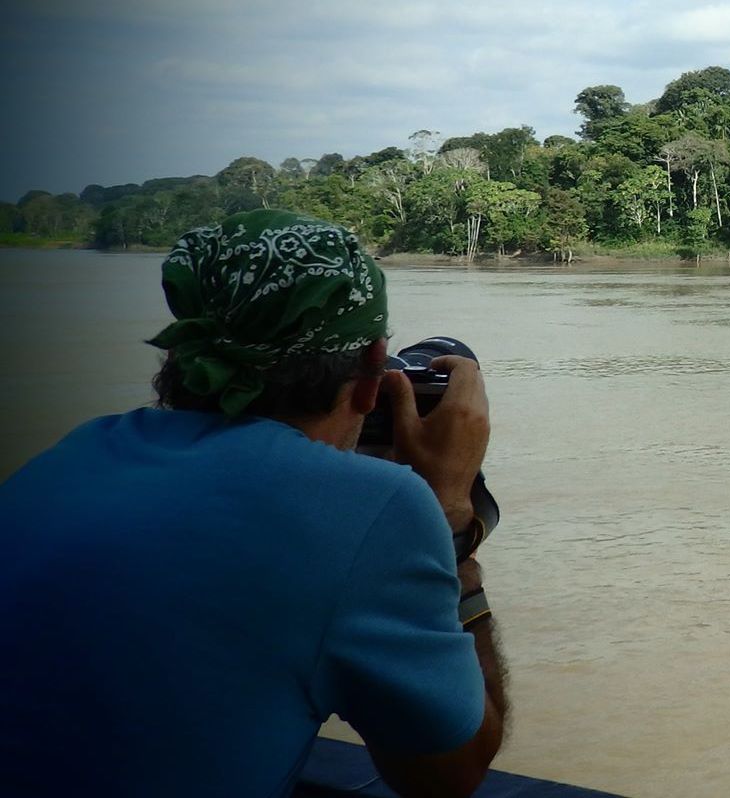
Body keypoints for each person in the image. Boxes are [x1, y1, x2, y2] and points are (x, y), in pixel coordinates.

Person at [0, 210, 507, 797]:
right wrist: (450, 517)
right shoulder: (371, 508)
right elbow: (449, 775)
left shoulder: (77, 452)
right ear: (373, 376)